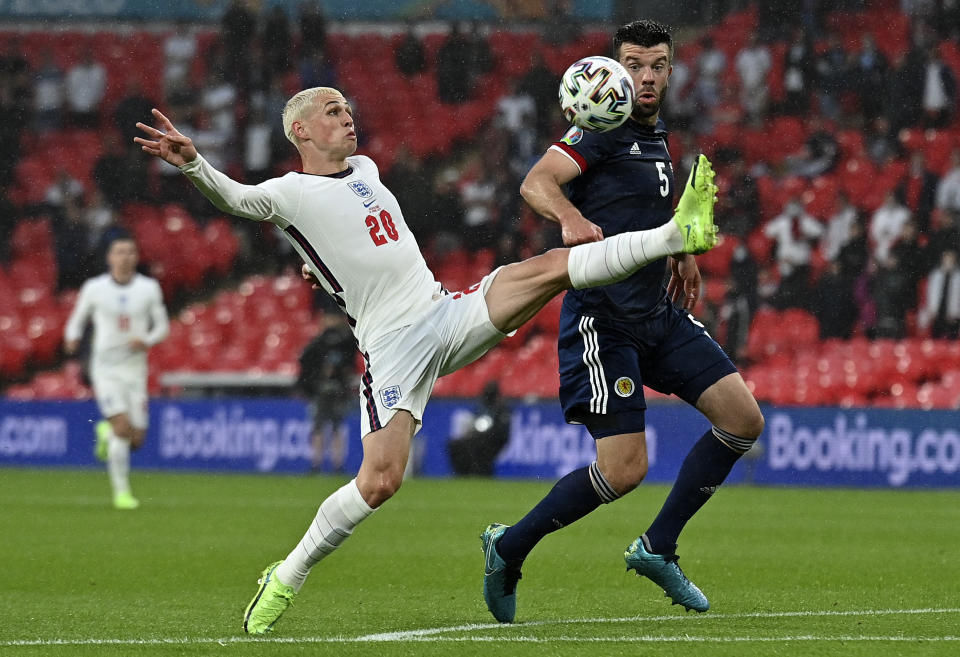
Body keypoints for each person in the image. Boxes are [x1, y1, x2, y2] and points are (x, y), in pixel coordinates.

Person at [134, 84, 718, 634]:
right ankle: (287, 575)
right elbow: (234, 198)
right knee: (381, 481)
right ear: (300, 131)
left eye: (346, 108)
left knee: (548, 268)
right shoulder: (288, 192)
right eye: (332, 111)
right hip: (391, 347)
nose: (347, 116)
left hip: (444, 312)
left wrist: (323, 264)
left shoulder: (366, 169)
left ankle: (674, 234)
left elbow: (355, 239)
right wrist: (192, 163)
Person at [480, 20, 764, 625]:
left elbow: (647, 207)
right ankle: (509, 547)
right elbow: (538, 181)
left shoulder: (656, 135)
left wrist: (681, 253)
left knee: (743, 420)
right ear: (613, 68)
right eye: (634, 64)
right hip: (603, 322)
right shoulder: (600, 126)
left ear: (670, 69)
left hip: (656, 310)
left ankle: (658, 547)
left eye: (657, 65)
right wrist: (568, 218)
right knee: (625, 469)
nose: (645, 77)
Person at [63, 236, 169, 510]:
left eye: (130, 252)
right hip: (106, 368)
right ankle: (122, 494)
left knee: (137, 439)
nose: (125, 257)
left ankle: (106, 434)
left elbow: (162, 327)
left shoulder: (149, 288)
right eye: (119, 252)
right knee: (123, 427)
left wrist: (146, 340)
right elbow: (78, 317)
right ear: (110, 258)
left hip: (135, 369)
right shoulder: (95, 288)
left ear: (136, 257)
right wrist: (72, 336)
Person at [296, 308, 355, 474]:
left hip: (331, 391)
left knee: (330, 428)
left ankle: (331, 464)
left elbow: (305, 363)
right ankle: (321, 463)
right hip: (327, 390)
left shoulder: (335, 342)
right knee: (322, 428)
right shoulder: (331, 343)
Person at [447, 381, 511, 476]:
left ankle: (481, 472)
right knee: (455, 444)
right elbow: (475, 421)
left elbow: (502, 430)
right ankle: (461, 473)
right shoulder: (481, 407)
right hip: (479, 436)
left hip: (494, 439)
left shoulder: (501, 409)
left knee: (479, 446)